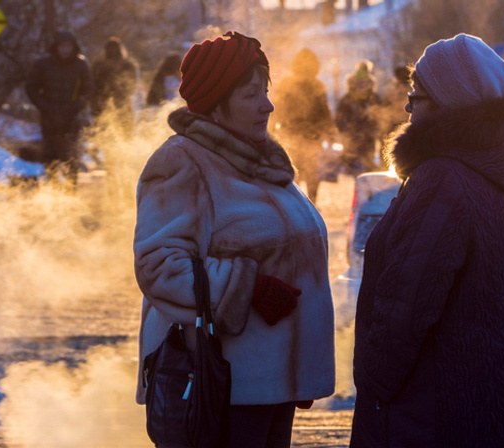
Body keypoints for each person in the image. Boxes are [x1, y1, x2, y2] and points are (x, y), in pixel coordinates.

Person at [351, 34, 504, 447]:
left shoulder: (443, 178)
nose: (408, 107)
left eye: (417, 95)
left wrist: (374, 384)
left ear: (446, 101)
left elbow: (405, 305)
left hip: (439, 408)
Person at [133, 32, 335, 448]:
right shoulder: (183, 162)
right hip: (222, 385)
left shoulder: (258, 162)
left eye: (265, 91)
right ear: (216, 102)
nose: (268, 104)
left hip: (270, 383)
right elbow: (158, 264)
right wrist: (249, 287)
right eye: (250, 94)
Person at [25, 29, 93, 186]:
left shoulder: (81, 64)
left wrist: (77, 106)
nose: (65, 49)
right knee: (50, 157)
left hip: (71, 118)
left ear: (73, 46)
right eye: (62, 46)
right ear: (56, 47)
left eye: (68, 46)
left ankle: (71, 190)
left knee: (71, 156)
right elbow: (31, 88)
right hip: (49, 117)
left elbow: (88, 89)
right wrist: (45, 106)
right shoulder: (43, 64)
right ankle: (54, 190)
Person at [271, 48, 337, 204]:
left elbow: (278, 108)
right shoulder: (318, 85)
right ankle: (311, 202)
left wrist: (273, 129)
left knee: (294, 170)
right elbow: (325, 113)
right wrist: (330, 134)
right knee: (312, 172)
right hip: (312, 136)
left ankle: (295, 202)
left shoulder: (287, 83)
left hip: (290, 135)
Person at [334, 60, 381, 174]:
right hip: (368, 134)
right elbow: (380, 114)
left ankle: (356, 186)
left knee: (352, 163)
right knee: (368, 163)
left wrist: (343, 130)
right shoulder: (372, 95)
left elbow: (339, 115)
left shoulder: (348, 96)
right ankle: (365, 189)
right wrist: (377, 130)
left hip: (352, 133)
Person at [91, 36, 137, 136]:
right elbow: (93, 87)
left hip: (117, 102)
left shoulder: (126, 65)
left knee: (119, 134)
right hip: (107, 103)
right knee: (111, 134)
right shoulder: (100, 66)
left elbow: (131, 87)